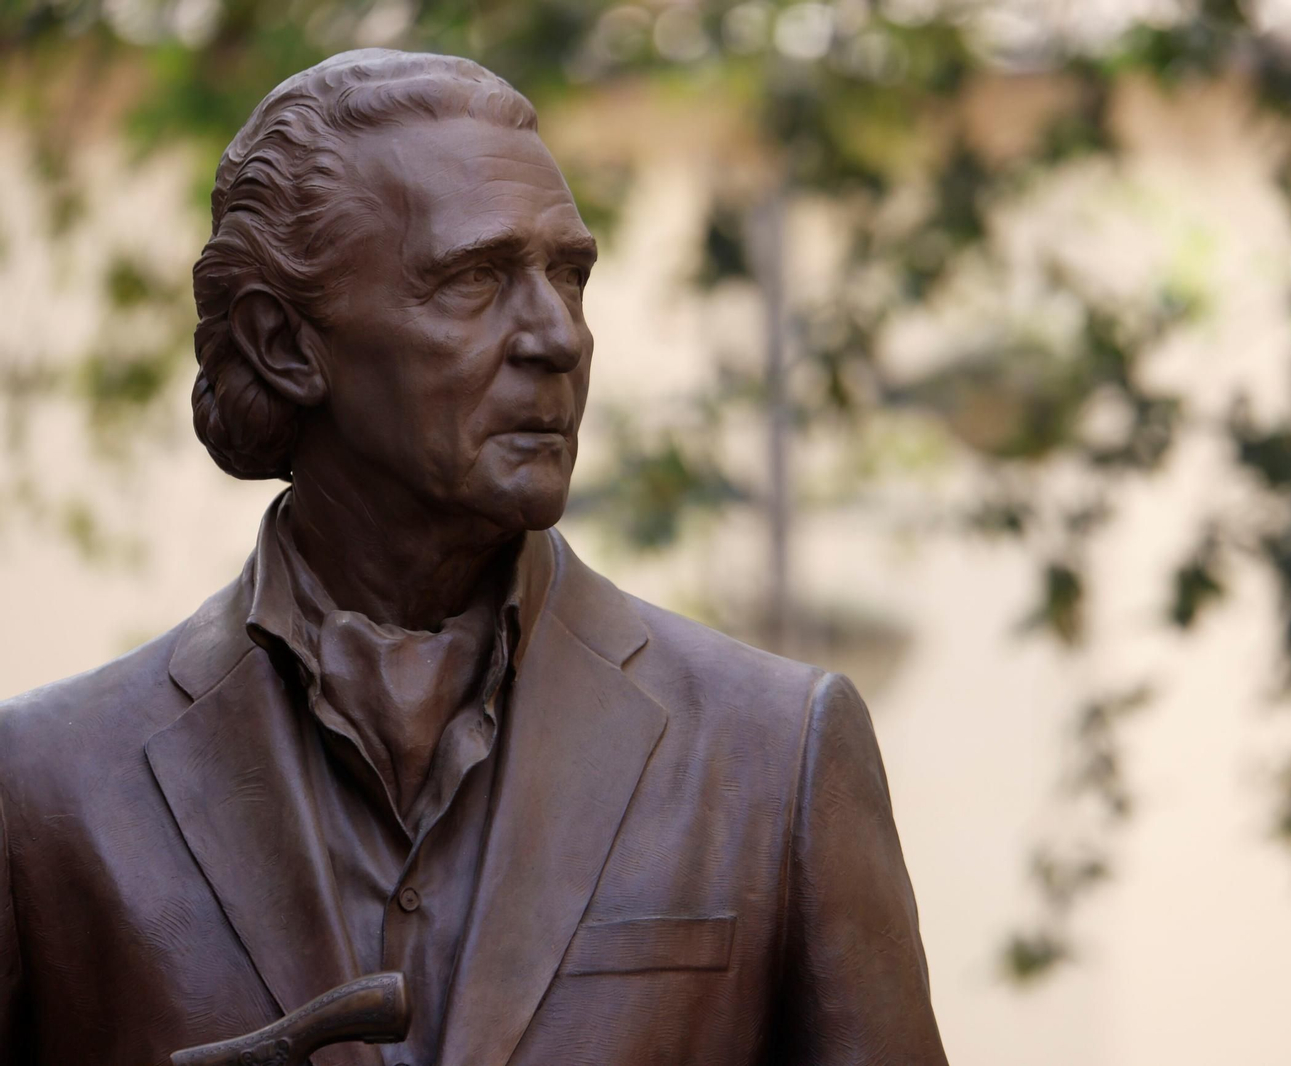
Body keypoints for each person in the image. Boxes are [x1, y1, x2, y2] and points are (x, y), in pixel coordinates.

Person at [0, 49, 946, 1066]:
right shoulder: (46, 789)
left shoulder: (772, 755)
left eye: (569, 276)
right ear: (285, 344)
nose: (558, 337)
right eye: (475, 281)